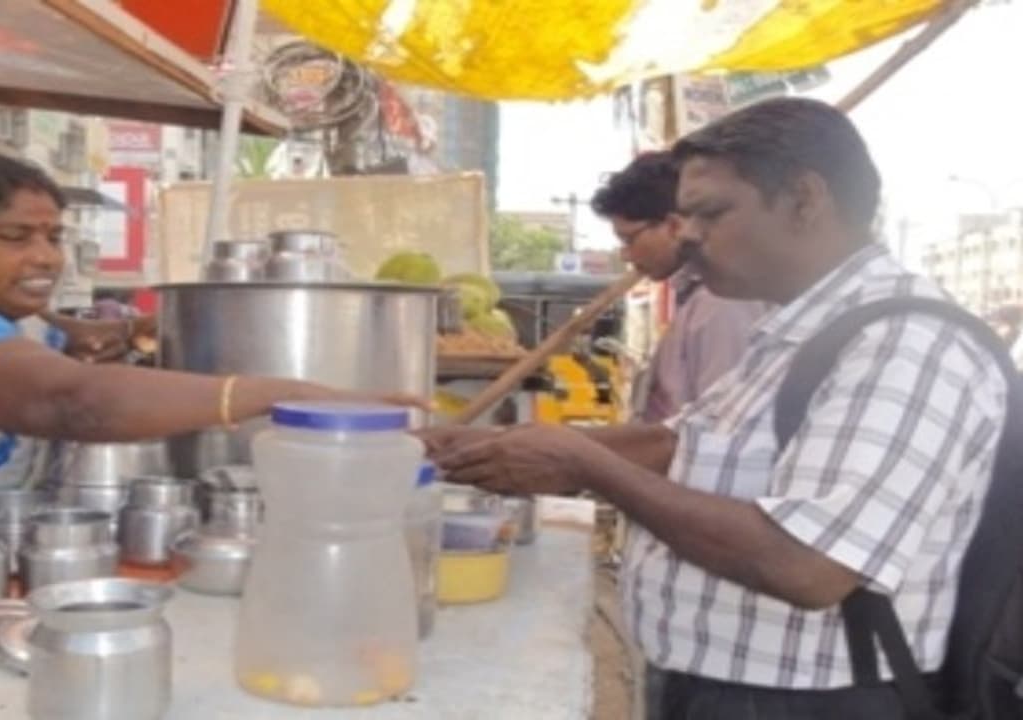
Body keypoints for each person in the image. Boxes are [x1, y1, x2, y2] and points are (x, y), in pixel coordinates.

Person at [422, 98, 1008, 718]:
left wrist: (585, 465)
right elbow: (679, 444)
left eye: (711, 213)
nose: (688, 235)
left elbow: (810, 565)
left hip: (812, 703)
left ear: (805, 200)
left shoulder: (903, 342)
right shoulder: (799, 327)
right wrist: (484, 449)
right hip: (729, 688)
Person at [0, 153, 418, 609]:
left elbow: (30, 360)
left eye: (53, 236)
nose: (45, 257)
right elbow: (71, 401)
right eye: (15, 237)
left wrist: (76, 333)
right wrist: (279, 394)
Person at [590, 151, 765, 422]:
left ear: (673, 226)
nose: (626, 255)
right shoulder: (694, 301)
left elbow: (720, 427)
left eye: (629, 239)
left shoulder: (722, 305)